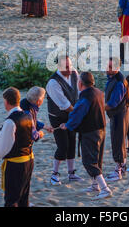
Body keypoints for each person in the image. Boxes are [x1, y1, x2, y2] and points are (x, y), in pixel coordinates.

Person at [0, 87, 42, 207]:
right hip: (29, 161)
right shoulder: (28, 116)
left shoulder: (10, 122)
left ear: (6, 102)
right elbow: (33, 135)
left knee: (11, 200)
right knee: (23, 198)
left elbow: (2, 146)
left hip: (16, 165)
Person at [60, 72, 112, 200]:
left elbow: (77, 115)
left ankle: (105, 189)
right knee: (97, 158)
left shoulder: (85, 97)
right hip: (101, 129)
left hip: (91, 132)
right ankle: (95, 185)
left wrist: (67, 125)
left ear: (80, 83)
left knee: (89, 161)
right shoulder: (98, 92)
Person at [45, 56, 82, 185]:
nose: (70, 69)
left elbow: (79, 92)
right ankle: (54, 174)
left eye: (70, 65)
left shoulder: (74, 73)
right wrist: (79, 114)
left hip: (72, 114)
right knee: (63, 146)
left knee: (72, 142)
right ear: (59, 67)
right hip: (57, 116)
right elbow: (64, 105)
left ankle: (71, 173)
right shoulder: (53, 82)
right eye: (66, 66)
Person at [104, 57, 129, 181]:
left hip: (120, 114)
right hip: (117, 114)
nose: (107, 69)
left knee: (118, 140)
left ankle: (118, 170)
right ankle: (123, 166)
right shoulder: (113, 78)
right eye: (107, 66)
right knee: (118, 140)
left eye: (110, 67)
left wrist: (98, 108)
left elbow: (113, 103)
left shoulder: (120, 82)